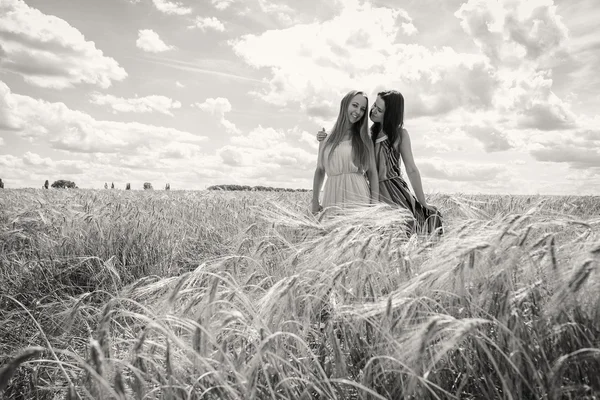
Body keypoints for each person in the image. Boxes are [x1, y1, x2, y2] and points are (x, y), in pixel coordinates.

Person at [318, 90, 442, 235]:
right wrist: (325, 137)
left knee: (408, 230)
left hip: (395, 192)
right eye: (375, 105)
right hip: (371, 191)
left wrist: (423, 202)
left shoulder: (400, 134)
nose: (373, 111)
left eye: (380, 109)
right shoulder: (367, 135)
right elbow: (344, 142)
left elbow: (411, 169)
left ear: (389, 114)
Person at [312, 90, 379, 214]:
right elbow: (320, 170)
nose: (358, 112)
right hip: (332, 196)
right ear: (345, 104)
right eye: (355, 105)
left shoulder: (364, 138)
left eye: (362, 109)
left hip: (358, 196)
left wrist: (374, 207)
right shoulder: (325, 138)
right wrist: (315, 201)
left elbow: (373, 173)